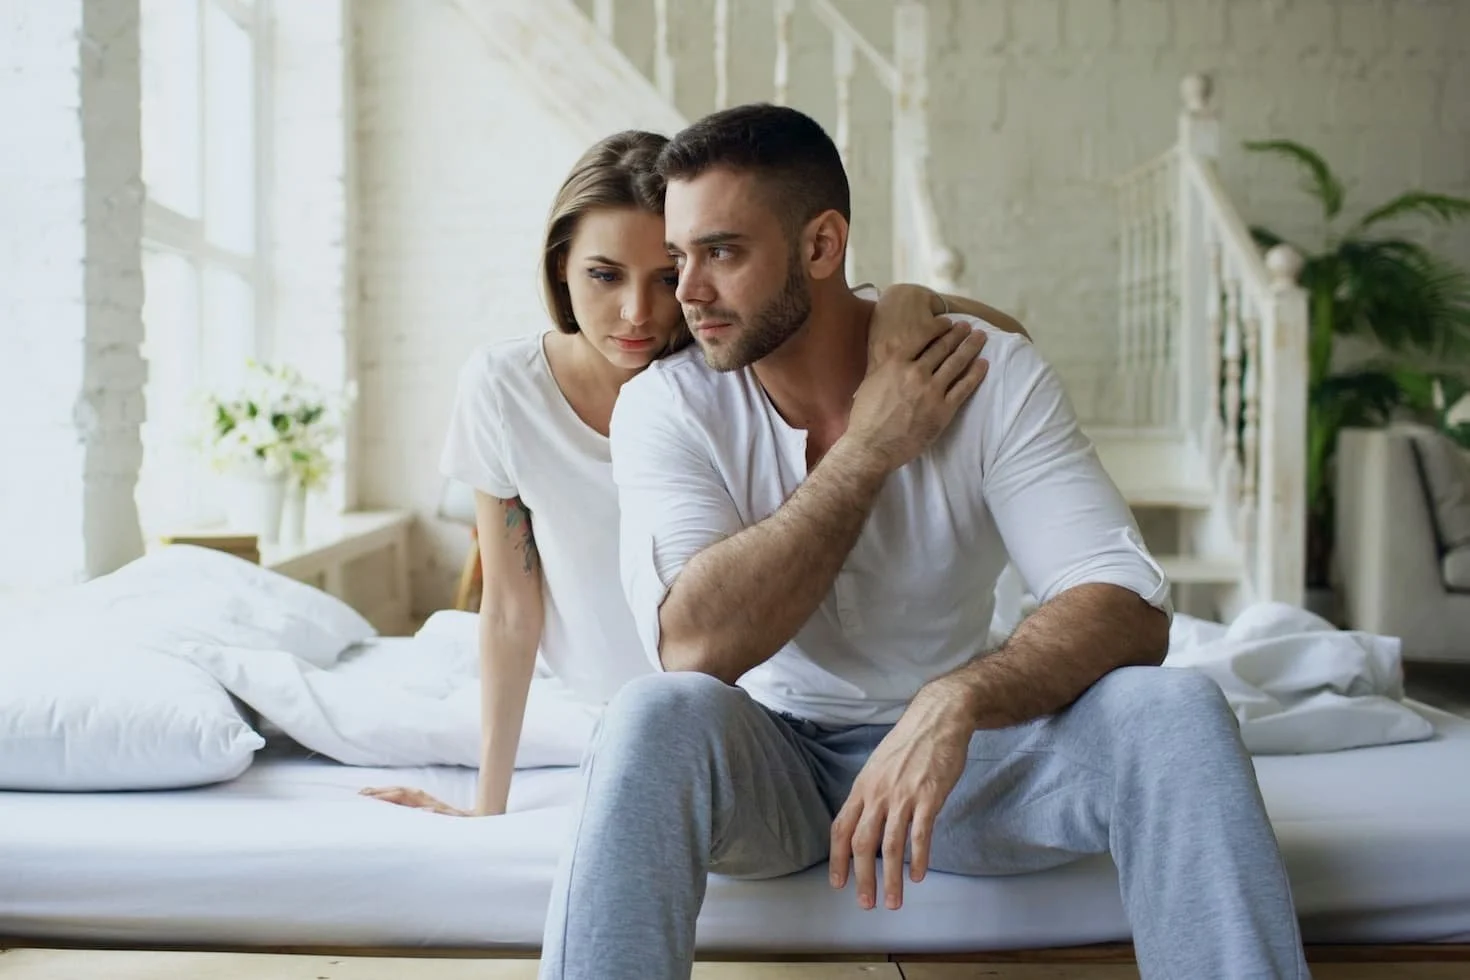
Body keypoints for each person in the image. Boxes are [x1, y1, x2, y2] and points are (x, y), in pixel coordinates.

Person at [537, 106, 1311, 980]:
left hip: (973, 768)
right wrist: (870, 450)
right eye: (682, 257)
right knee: (650, 713)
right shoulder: (668, 405)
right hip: (778, 768)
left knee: (1174, 709)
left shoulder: (986, 375)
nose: (687, 293)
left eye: (722, 252)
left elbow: (1126, 603)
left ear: (822, 246)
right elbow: (695, 646)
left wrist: (955, 703)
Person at [361, 130, 1027, 819]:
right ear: (561, 266)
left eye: (665, 276)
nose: (637, 314)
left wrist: (908, 301)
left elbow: (1010, 340)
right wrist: (488, 807)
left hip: (753, 706)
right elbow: (507, 608)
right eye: (603, 274)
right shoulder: (504, 389)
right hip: (619, 705)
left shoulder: (733, 369)